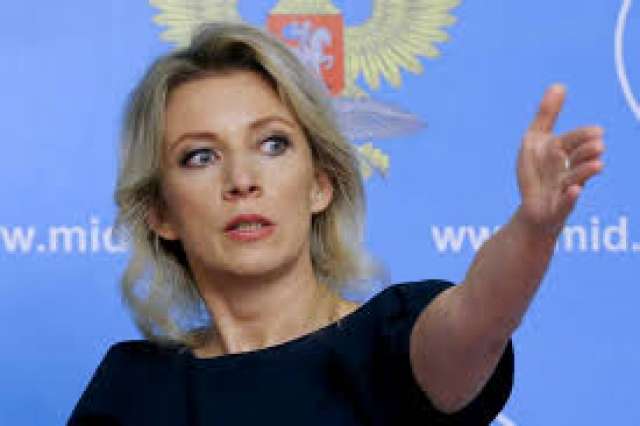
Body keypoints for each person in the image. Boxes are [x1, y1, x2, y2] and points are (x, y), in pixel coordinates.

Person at [68, 22, 605, 426]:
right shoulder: (133, 389)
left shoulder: (390, 345)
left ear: (319, 185)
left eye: (272, 144)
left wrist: (533, 228)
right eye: (200, 156)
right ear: (161, 213)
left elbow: (478, 319)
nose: (242, 180)